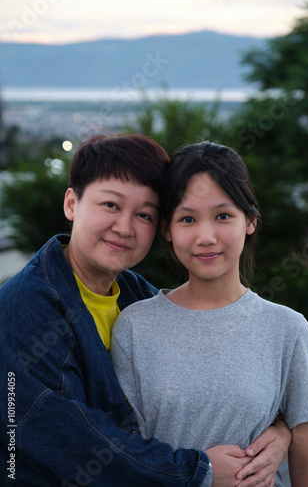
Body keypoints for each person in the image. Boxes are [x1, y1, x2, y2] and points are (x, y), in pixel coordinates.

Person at [0, 134, 290, 487]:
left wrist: (280, 432)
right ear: (72, 203)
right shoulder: (23, 310)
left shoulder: (137, 296)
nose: (124, 227)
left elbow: (218, 377)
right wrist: (198, 471)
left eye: (144, 214)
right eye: (110, 205)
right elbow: (74, 444)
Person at [111, 141, 308, 487]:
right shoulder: (135, 327)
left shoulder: (288, 328)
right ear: (167, 229)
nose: (206, 236)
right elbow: (125, 456)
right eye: (187, 219)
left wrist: (284, 432)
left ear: (250, 221)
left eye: (223, 216)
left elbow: (307, 462)